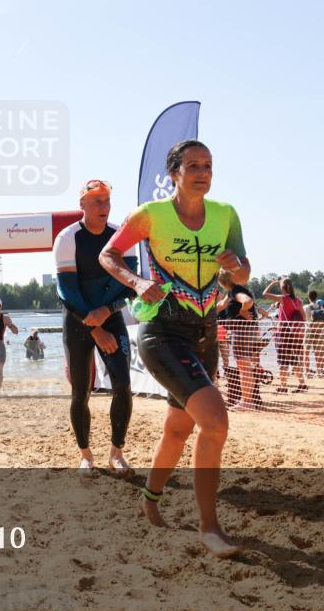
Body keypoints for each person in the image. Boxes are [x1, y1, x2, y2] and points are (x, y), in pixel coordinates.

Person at [100, 139, 248, 557]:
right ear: (174, 175)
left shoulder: (226, 215)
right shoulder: (150, 215)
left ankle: (149, 499)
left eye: (208, 165)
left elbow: (243, 271)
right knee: (215, 421)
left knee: (179, 429)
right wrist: (137, 281)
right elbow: (109, 255)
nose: (202, 172)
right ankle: (209, 527)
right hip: (162, 331)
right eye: (193, 165)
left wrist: (236, 269)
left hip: (204, 332)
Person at [55, 179, 137, 476]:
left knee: (124, 385)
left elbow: (131, 287)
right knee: (81, 391)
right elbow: (67, 293)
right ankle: (86, 455)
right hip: (77, 320)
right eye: (96, 202)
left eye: (106, 201)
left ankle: (116, 452)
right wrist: (95, 328)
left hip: (110, 316)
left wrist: (108, 311)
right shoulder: (67, 238)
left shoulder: (120, 237)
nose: (103, 207)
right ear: (83, 206)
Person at [216, 269, 260, 410]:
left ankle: (247, 401)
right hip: (245, 331)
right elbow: (221, 306)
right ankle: (248, 400)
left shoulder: (236, 291)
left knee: (243, 366)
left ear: (221, 282)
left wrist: (242, 311)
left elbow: (247, 301)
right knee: (244, 365)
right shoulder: (232, 292)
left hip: (242, 331)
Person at [263, 278, 308, 393]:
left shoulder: (283, 299)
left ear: (282, 287)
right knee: (294, 359)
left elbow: (265, 294)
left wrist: (273, 283)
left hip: (283, 333)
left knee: (283, 361)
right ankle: (302, 384)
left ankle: (283, 386)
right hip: (295, 335)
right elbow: (304, 318)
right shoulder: (298, 300)